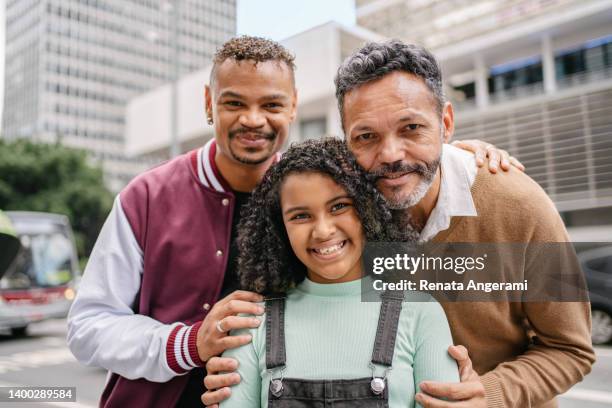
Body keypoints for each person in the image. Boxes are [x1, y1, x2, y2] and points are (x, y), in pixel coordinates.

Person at [65, 35, 520, 407]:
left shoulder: (325, 182)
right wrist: (187, 345)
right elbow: (86, 326)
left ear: (294, 106)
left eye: (271, 104)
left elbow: (397, 169)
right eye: (233, 103)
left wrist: (455, 153)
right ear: (209, 104)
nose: (253, 119)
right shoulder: (144, 198)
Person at [203, 40, 595, 408]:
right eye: (367, 136)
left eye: (411, 128)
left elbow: (572, 348)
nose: (390, 154)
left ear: (446, 122)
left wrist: (490, 393)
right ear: (347, 143)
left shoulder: (521, 206)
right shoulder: (355, 208)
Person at [220, 137, 459, 407]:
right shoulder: (251, 323)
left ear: (368, 209)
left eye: (339, 206)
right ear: (279, 229)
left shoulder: (421, 313)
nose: (323, 231)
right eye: (300, 216)